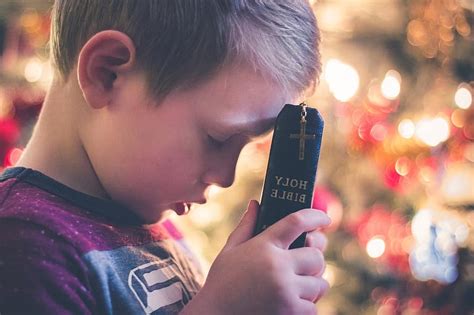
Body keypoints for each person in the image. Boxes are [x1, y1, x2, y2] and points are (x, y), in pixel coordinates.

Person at [0, 1, 331, 314]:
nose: (226, 177)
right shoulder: (22, 244)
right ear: (107, 74)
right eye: (216, 139)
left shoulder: (155, 227)